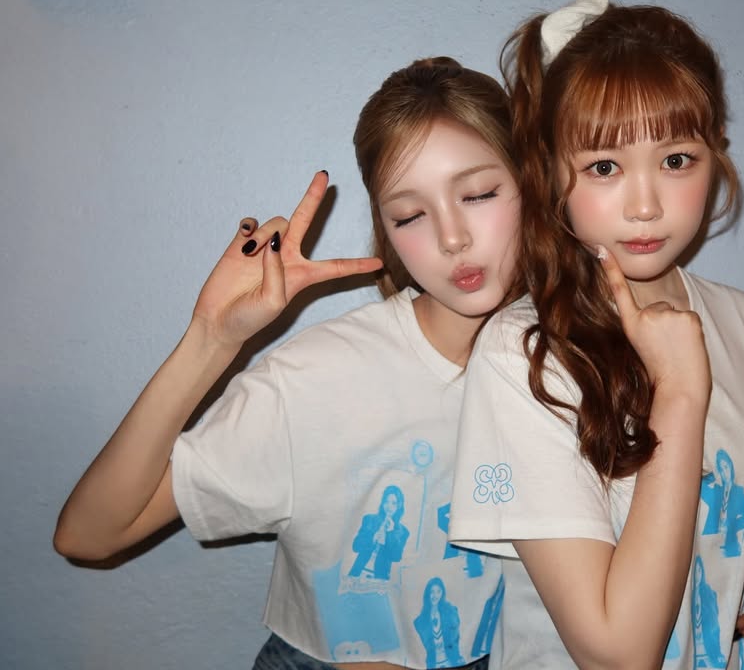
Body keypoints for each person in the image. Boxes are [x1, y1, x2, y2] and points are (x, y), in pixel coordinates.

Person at [54, 57, 521, 670]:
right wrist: (210, 339)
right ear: (386, 232)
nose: (452, 237)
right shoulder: (319, 380)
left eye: (478, 194)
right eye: (410, 215)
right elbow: (88, 535)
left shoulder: (578, 363)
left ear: (533, 185)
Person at [449, 0, 744, 669]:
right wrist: (679, 392)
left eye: (676, 160)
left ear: (716, 154)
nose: (645, 205)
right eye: (604, 167)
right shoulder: (521, 355)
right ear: (552, 172)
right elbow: (619, 655)